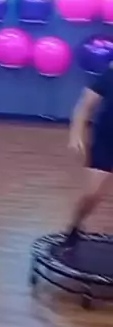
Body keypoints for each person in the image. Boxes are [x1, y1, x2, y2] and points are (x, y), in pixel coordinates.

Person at [65, 63, 113, 244]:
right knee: (92, 194)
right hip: (107, 140)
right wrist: (76, 134)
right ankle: (74, 226)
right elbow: (84, 105)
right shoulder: (110, 74)